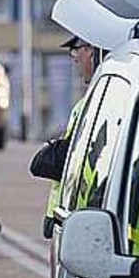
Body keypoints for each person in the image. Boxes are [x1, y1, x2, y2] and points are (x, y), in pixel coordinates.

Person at [30, 35, 102, 238]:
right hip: (74, 216)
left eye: (76, 49)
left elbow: (74, 157)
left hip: (86, 219)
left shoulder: (100, 101)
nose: (74, 57)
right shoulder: (91, 100)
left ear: (91, 50)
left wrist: (50, 156)